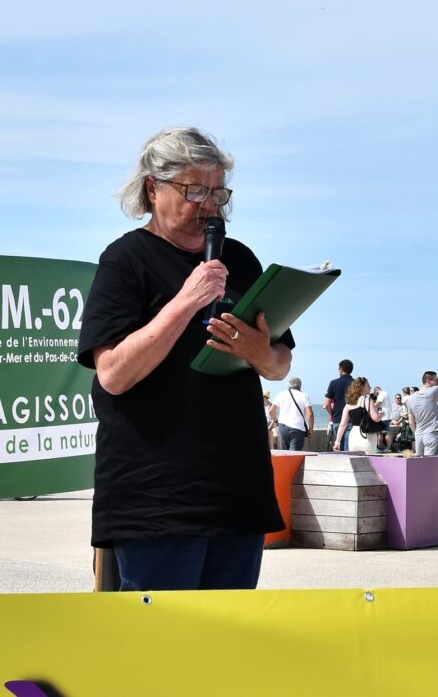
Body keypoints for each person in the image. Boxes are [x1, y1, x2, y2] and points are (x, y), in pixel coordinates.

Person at [77, 126, 293, 592]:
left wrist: (260, 353)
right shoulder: (125, 261)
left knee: (224, 650)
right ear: (154, 188)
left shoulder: (240, 260)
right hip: (157, 501)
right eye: (194, 189)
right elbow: (113, 373)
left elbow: (280, 364)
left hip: (237, 494)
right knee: (156, 653)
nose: (210, 205)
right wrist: (186, 301)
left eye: (218, 192)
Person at [333, 377, 383, 453]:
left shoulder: (349, 404)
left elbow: (342, 424)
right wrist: (382, 414)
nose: (370, 387)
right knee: (367, 462)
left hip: (353, 436)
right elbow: (375, 418)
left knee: (355, 463)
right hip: (366, 436)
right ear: (362, 387)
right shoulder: (367, 399)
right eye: (368, 385)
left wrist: (337, 442)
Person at [407, 371, 438, 456]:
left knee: (420, 465)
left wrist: (416, 432)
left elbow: (411, 422)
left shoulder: (410, 399)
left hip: (418, 434)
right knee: (431, 465)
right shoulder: (435, 390)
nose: (437, 382)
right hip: (432, 432)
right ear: (428, 381)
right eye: (436, 379)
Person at [273, 377, 314, 451]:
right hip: (297, 428)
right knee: (294, 455)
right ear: (300, 386)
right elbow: (310, 414)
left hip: (283, 427)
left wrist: (276, 420)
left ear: (289, 385)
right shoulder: (304, 396)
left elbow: (271, 410)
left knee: (284, 453)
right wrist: (310, 429)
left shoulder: (281, 394)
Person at [324, 359, 354, 451]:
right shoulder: (356, 383)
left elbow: (326, 404)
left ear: (341, 369)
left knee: (338, 445)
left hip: (337, 418)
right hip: (352, 419)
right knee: (349, 447)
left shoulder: (334, 383)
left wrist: (332, 414)